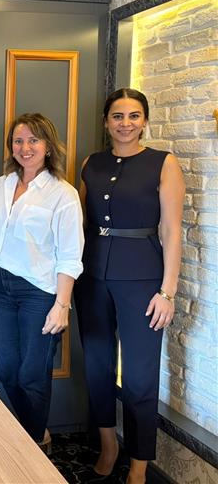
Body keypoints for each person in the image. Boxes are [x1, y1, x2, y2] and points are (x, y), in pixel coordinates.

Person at [74, 88, 184, 484]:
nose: (125, 123)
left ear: (144, 121)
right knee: (97, 365)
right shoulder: (91, 163)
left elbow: (171, 230)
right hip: (91, 277)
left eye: (134, 115)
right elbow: (78, 222)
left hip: (142, 279)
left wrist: (168, 291)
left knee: (139, 375)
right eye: (117, 116)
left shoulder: (163, 163)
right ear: (106, 122)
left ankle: (139, 464)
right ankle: (108, 444)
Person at [0, 113, 83, 453]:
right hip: (0, 287)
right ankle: (33, 434)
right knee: (7, 372)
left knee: (32, 376)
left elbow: (70, 254)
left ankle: (34, 443)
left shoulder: (62, 194)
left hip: (40, 293)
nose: (25, 147)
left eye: (34, 140)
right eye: (18, 141)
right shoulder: (1, 185)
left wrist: (62, 305)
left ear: (48, 146)